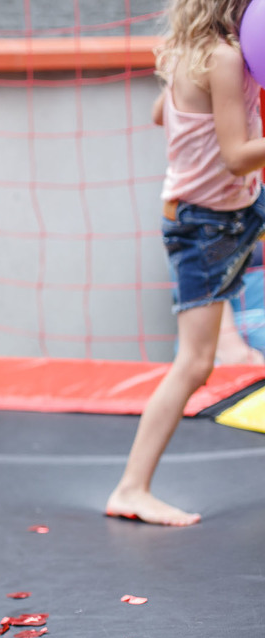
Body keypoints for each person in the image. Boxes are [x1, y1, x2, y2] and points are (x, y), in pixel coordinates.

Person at [106, 0, 265, 526]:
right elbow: (237, 155)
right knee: (195, 364)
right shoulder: (220, 57)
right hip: (206, 228)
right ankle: (131, 488)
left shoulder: (191, 52)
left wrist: (183, 106)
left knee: (198, 360)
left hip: (239, 209)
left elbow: (160, 113)